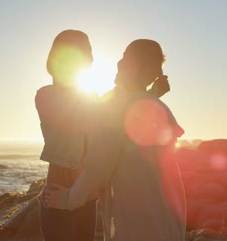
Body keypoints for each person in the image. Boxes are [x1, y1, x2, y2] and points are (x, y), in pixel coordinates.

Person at [43, 39, 186, 241]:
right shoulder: (155, 107)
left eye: (125, 58)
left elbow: (99, 167)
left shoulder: (117, 107)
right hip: (165, 221)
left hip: (135, 225)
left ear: (134, 67)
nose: (118, 62)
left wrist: (67, 199)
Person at [35, 29, 97, 241]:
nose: (91, 57)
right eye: (86, 51)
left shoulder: (91, 98)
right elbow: (76, 120)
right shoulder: (46, 96)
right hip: (58, 198)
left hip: (85, 197)